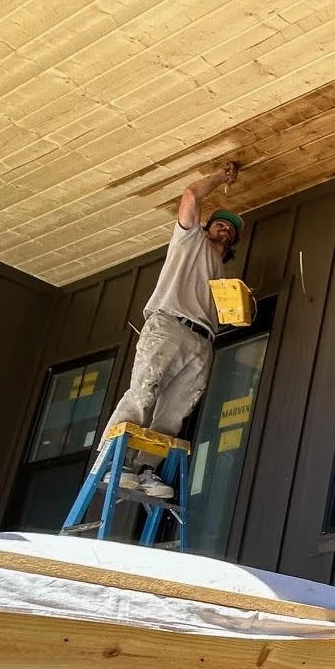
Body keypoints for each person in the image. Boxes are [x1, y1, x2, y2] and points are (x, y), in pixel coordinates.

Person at [101, 160, 244, 500]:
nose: (224, 229)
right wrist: (221, 178)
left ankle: (144, 468)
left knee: (174, 411)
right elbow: (191, 195)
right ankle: (113, 463)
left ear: (234, 241)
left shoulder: (223, 279)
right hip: (168, 324)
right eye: (220, 224)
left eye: (231, 229)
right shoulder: (189, 241)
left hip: (203, 340)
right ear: (207, 227)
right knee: (144, 391)